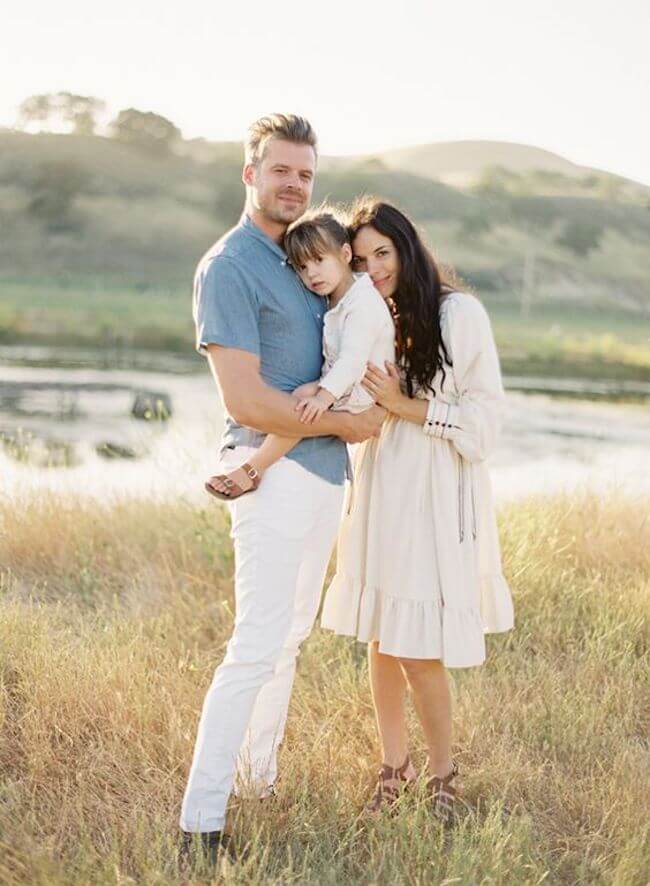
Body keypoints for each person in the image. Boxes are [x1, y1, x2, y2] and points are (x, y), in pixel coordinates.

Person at [180, 115, 385, 863]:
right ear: (250, 174)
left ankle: (256, 782)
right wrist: (347, 424)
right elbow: (244, 401)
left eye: (305, 173)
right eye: (280, 171)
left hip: (324, 480)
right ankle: (200, 824)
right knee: (256, 644)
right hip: (275, 485)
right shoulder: (230, 265)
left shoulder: (305, 259)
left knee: (290, 641)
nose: (294, 184)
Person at [320, 198, 515, 824]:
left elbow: (485, 428)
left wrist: (409, 407)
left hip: (436, 494)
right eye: (361, 258)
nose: (374, 268)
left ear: (408, 247)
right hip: (381, 487)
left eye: (384, 253)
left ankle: (442, 773)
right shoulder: (369, 315)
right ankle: (393, 765)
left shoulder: (459, 314)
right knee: (382, 633)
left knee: (418, 646)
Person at [204, 209, 395, 501]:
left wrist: (323, 397)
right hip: (346, 384)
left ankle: (253, 469)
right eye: (303, 267)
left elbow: (353, 361)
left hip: (361, 389)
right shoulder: (338, 297)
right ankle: (254, 468)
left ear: (345, 253)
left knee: (303, 405)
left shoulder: (363, 302)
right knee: (303, 399)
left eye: (319, 260)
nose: (312, 274)